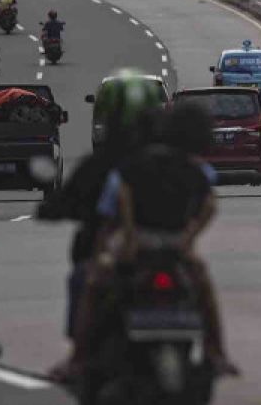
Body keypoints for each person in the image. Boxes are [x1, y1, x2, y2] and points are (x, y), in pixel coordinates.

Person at [69, 102, 234, 378]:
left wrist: (124, 240)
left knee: (95, 284)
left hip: (137, 243)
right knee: (202, 285)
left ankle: (78, 357)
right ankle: (215, 351)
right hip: (175, 245)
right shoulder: (197, 169)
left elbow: (116, 207)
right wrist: (188, 238)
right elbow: (210, 205)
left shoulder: (133, 165)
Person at [37, 70, 167, 377]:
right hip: (166, 253)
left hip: (120, 257)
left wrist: (52, 209)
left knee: (85, 280)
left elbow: (65, 201)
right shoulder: (171, 160)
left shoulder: (102, 165)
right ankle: (215, 350)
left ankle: (79, 356)